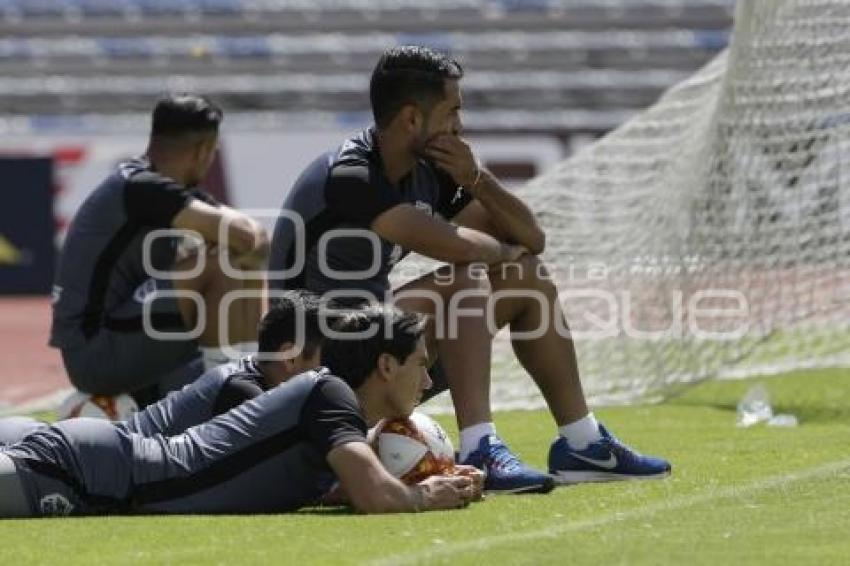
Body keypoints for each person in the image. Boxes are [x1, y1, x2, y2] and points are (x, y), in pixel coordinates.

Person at [269, 45, 670, 491]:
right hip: (317, 363)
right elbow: (455, 247)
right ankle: (480, 446)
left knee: (528, 278)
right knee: (466, 277)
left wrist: (476, 177)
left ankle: (582, 442)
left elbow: (531, 239)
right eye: (452, 111)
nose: (459, 125)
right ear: (412, 119)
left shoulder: (428, 171)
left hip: (375, 348)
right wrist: (498, 253)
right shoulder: (351, 175)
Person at [0, 305, 483, 517]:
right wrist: (426, 495)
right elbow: (375, 498)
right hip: (90, 472)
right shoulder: (331, 394)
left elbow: (355, 489)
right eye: (421, 365)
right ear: (384, 364)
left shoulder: (330, 402)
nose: (426, 381)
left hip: (101, 464)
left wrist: (433, 473)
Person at [49, 94, 269, 407]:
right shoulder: (140, 186)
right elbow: (249, 236)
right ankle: (227, 400)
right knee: (223, 261)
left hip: (125, 335)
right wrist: (240, 245)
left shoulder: (169, 191)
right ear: (203, 151)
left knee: (237, 260)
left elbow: (253, 243)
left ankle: (247, 383)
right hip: (96, 352)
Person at [0, 290, 327, 445]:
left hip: (78, 445)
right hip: (73, 450)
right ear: (291, 356)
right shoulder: (244, 392)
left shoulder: (249, 380)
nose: (330, 374)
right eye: (325, 361)